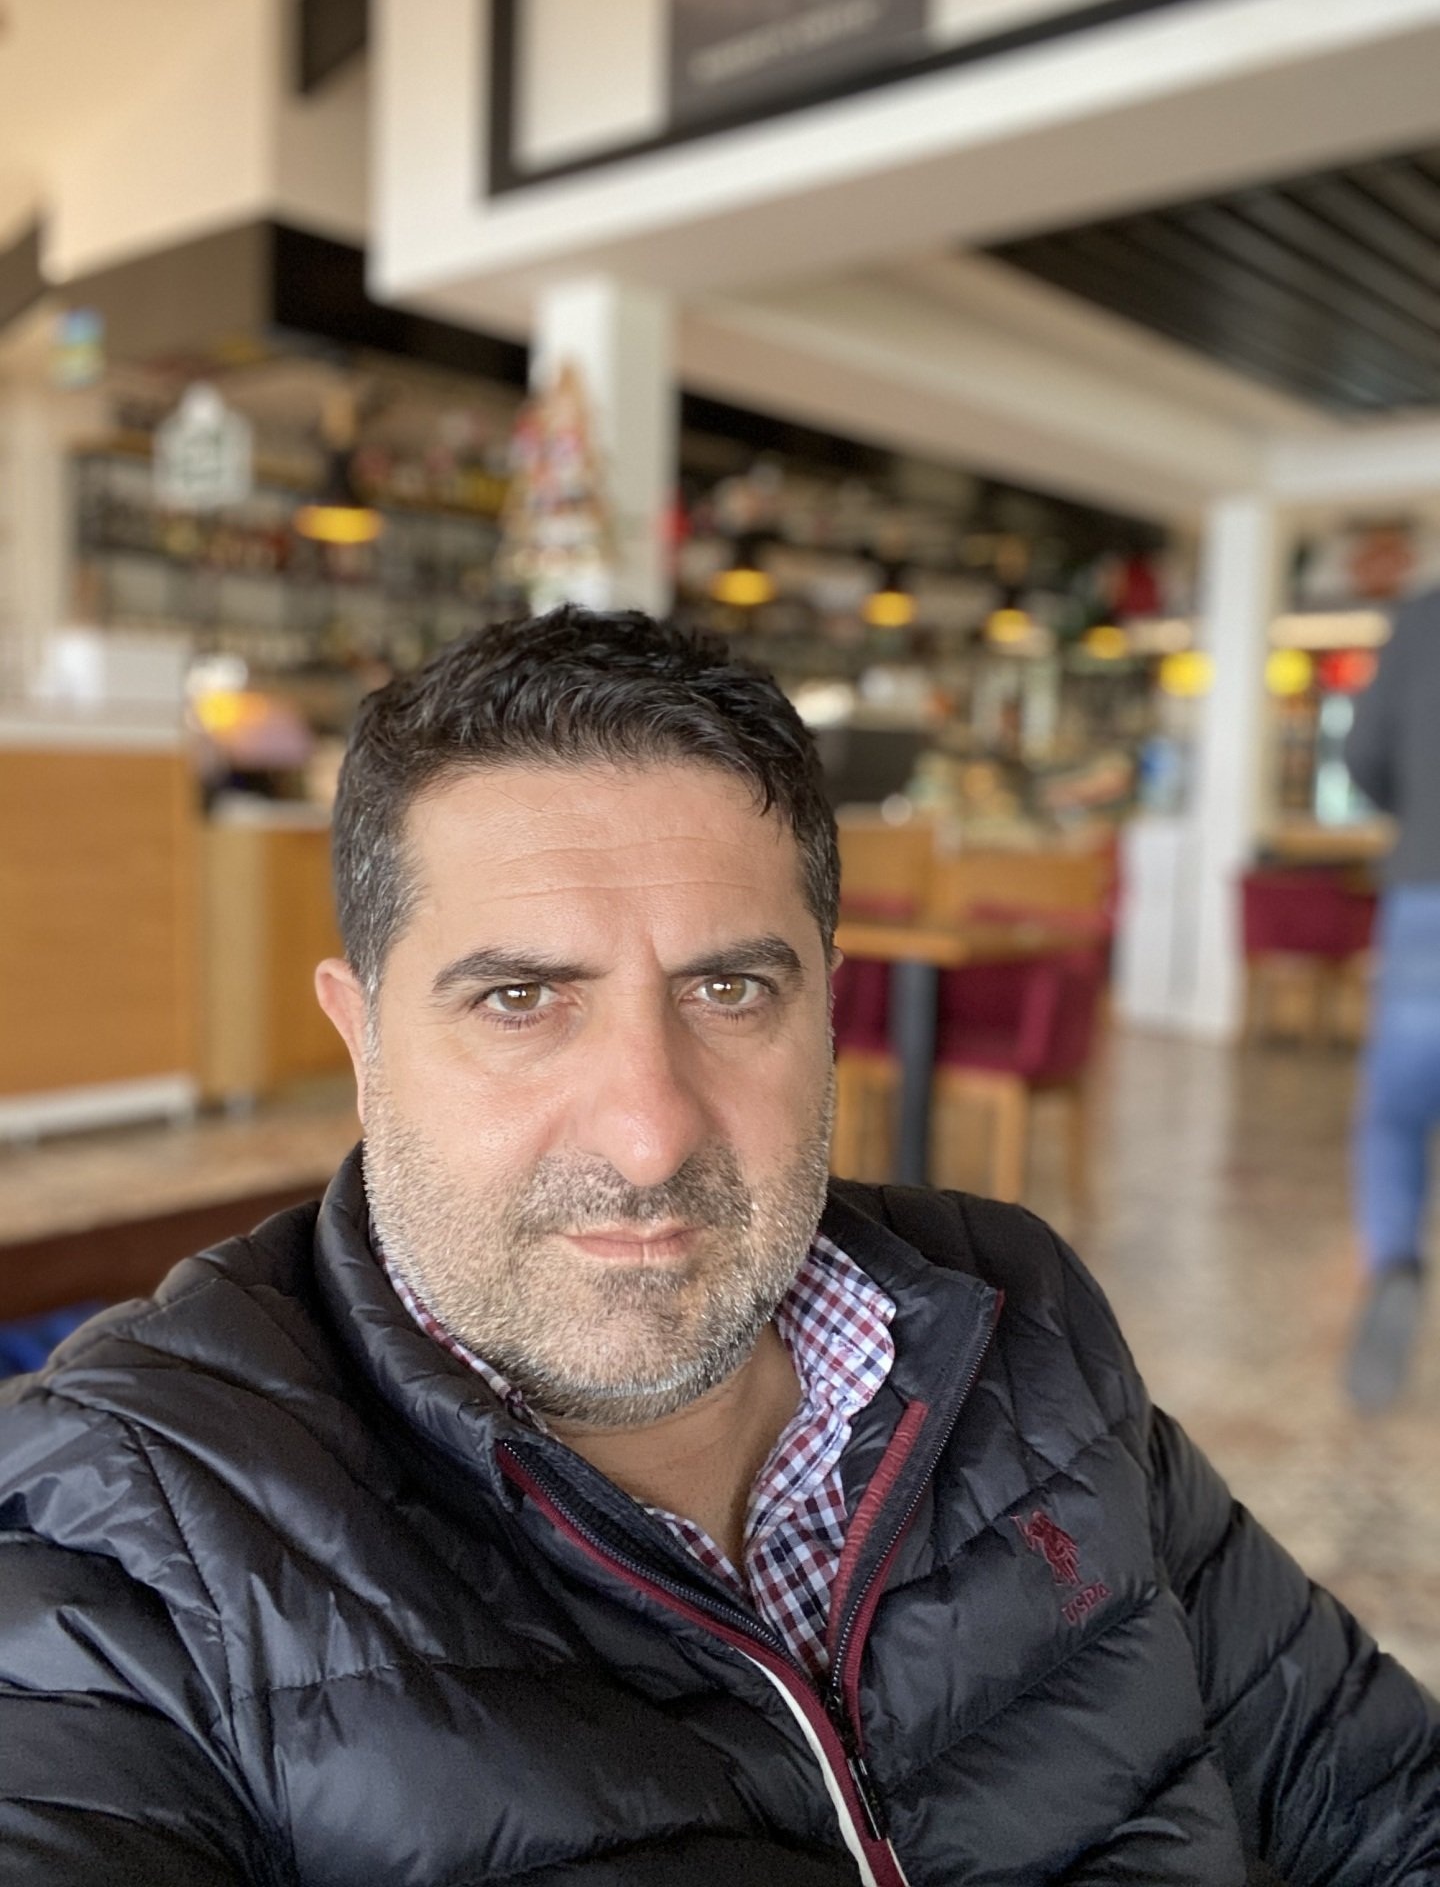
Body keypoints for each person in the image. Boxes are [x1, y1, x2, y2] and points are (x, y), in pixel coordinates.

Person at [0, 608, 1435, 1887]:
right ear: (362, 1038)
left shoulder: (1018, 1324)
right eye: (520, 1000)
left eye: (732, 990)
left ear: (828, 1012)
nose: (647, 1133)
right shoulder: (135, 1528)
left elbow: (1384, 1794)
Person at [1344, 588, 1440, 1410]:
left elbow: (1363, 754)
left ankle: (1396, 1263)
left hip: (1428, 886)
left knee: (1397, 1108)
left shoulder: (1423, 617)